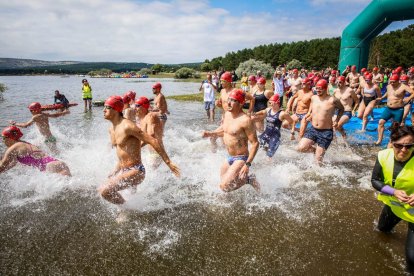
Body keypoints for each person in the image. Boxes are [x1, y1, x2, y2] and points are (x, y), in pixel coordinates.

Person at [99, 96, 180, 205]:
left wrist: (169, 163)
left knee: (106, 190)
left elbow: (152, 140)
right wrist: (115, 170)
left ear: (115, 110)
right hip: (124, 170)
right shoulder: (111, 129)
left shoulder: (128, 126)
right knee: (100, 189)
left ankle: (126, 209)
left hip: (136, 170)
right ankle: (132, 208)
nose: (103, 110)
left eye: (107, 107)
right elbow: (124, 153)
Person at [371, 124, 414, 272]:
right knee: (381, 230)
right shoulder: (383, 155)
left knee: (412, 259)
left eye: (409, 146)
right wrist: (394, 192)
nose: (404, 150)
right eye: (399, 145)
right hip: (394, 205)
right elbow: (375, 180)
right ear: (392, 142)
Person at [202, 89, 260, 192]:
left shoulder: (246, 120)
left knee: (224, 186)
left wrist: (248, 164)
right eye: (229, 99)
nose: (229, 102)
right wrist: (210, 133)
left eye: (233, 100)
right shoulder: (227, 115)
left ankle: (250, 180)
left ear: (241, 103)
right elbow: (226, 131)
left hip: (241, 158)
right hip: (229, 157)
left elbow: (255, 143)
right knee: (223, 188)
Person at [297, 79, 344, 164]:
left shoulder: (333, 100)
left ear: (325, 88)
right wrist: (309, 113)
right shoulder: (314, 98)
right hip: (313, 129)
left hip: (325, 132)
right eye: (316, 88)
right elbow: (312, 104)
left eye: (320, 88)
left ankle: (318, 155)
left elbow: (342, 109)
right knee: (300, 148)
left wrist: (337, 120)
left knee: (318, 162)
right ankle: (315, 150)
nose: (318, 90)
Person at [0, 126, 71, 176]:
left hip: (51, 167)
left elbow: (2, 166)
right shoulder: (26, 144)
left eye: (3, 138)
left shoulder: (13, 147)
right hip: (59, 164)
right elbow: (11, 165)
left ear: (10, 138)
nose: (3, 141)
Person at [375, 75, 414, 145]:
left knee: (395, 127)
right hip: (388, 109)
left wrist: (408, 98)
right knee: (381, 122)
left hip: (398, 109)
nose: (392, 83)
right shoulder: (389, 86)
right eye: (391, 82)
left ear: (398, 81)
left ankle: (391, 141)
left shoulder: (403, 86)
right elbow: (388, 93)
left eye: (394, 82)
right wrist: (381, 97)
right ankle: (379, 139)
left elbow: (413, 93)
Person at [252, 94, 293, 159]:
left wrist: (292, 132)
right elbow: (263, 111)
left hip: (274, 137)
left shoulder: (282, 113)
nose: (270, 104)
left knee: (269, 157)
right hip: (265, 134)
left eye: (271, 102)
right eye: (269, 102)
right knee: (258, 149)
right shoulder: (268, 110)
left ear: (277, 102)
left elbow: (292, 121)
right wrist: (255, 114)